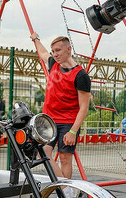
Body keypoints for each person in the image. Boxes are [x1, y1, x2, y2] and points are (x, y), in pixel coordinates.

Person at [30, 33, 91, 185]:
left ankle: (65, 189)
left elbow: (84, 107)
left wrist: (73, 131)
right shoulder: (53, 64)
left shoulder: (81, 75)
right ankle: (65, 187)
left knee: (64, 158)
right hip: (49, 120)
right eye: (54, 51)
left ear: (69, 49)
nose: (55, 54)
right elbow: (43, 53)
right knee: (43, 153)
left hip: (68, 122)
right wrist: (36, 39)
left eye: (58, 50)